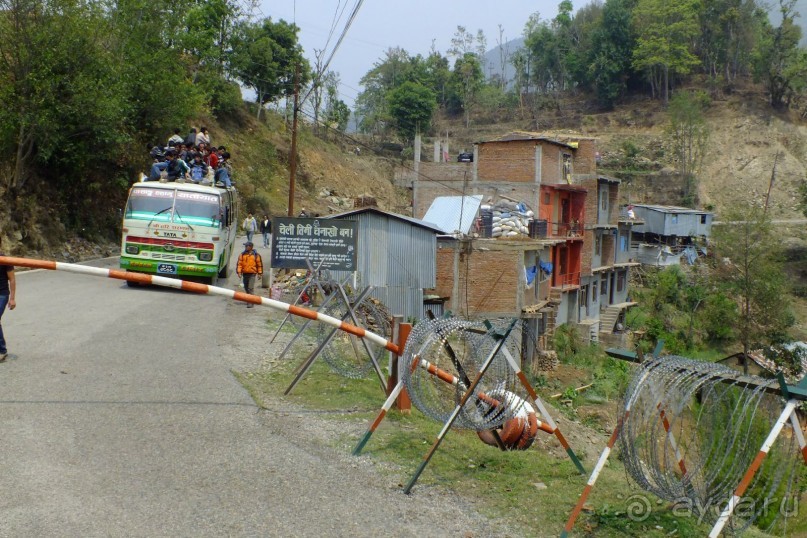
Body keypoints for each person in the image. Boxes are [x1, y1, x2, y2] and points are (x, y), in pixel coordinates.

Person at [0, 237, 17, 362]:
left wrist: (12, 299)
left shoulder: (5, 259)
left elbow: (12, 279)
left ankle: (2, 351)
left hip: (2, 294)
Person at [236, 241, 263, 308]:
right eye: (245, 246)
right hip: (245, 274)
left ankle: (250, 302)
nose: (245, 247)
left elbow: (259, 265)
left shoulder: (256, 255)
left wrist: (259, 273)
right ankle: (249, 299)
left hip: (252, 274)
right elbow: (239, 264)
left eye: (247, 246)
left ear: (251, 247)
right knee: (246, 287)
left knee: (250, 288)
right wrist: (239, 272)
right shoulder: (242, 255)